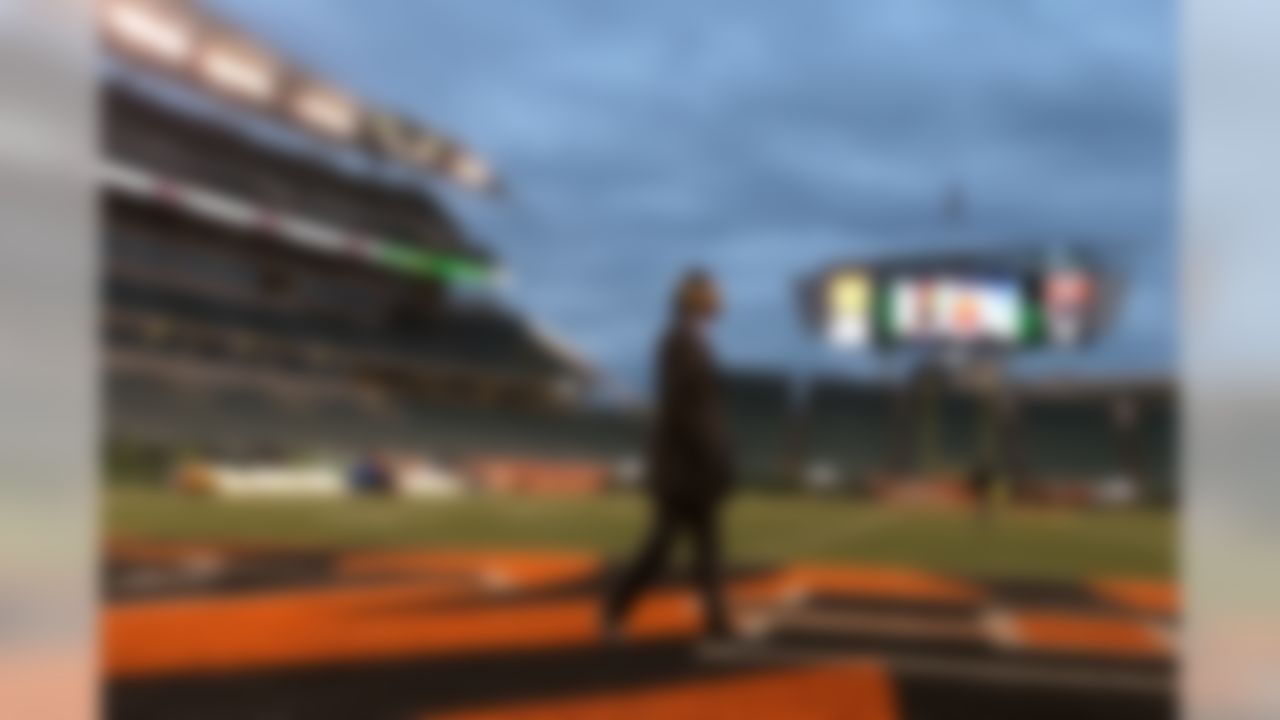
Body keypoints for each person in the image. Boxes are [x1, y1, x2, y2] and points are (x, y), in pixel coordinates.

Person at [602, 269, 734, 642]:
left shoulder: (697, 340)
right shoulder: (678, 341)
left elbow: (703, 407)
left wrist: (717, 453)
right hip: (681, 467)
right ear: (695, 298)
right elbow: (684, 408)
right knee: (660, 548)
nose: (722, 299)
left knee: (708, 546)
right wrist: (711, 452)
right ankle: (616, 606)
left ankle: (717, 620)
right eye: (714, 292)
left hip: (696, 464)